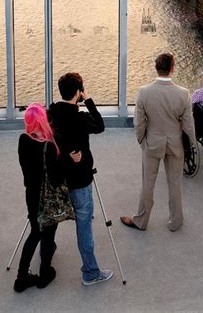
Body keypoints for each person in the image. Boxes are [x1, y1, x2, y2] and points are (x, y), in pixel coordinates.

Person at [49, 72, 113, 287]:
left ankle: (47, 251)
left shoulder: (51, 113)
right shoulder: (80, 118)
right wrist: (90, 101)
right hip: (79, 178)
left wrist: (65, 152)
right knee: (84, 224)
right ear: (79, 93)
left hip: (57, 176)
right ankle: (90, 272)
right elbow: (101, 126)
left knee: (52, 216)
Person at [121, 52, 196, 232]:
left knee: (148, 183)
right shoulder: (183, 93)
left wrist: (142, 141)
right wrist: (190, 144)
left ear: (156, 68)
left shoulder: (144, 92)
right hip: (175, 143)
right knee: (175, 183)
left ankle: (141, 220)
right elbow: (188, 124)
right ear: (173, 68)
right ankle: (176, 221)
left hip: (152, 142)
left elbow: (139, 122)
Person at [15, 104, 64, 292]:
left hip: (31, 194)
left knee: (35, 231)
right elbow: (57, 177)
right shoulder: (50, 145)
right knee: (48, 234)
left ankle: (21, 276)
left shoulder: (22, 140)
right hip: (48, 197)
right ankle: (45, 273)